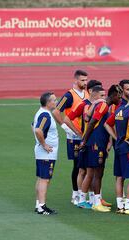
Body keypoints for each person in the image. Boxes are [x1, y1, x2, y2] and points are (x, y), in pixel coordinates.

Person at [63, 82, 111, 207]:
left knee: (92, 171)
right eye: (102, 94)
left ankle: (93, 198)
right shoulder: (84, 105)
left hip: (91, 140)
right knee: (84, 171)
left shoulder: (97, 105)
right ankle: (80, 198)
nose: (104, 97)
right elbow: (67, 119)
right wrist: (78, 133)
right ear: (92, 92)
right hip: (87, 141)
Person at [78, 85, 122, 212]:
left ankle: (88, 200)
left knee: (92, 172)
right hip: (95, 143)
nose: (119, 98)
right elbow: (91, 122)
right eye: (118, 96)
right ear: (113, 95)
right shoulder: (103, 106)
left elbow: (89, 118)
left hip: (97, 142)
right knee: (97, 173)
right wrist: (84, 140)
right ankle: (96, 202)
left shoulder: (102, 105)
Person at [105, 90, 129, 215]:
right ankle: (128, 207)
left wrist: (116, 138)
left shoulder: (119, 110)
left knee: (119, 177)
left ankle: (120, 206)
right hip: (128, 148)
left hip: (119, 147)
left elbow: (107, 124)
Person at [52, 70, 88, 204]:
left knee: (85, 165)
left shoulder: (87, 93)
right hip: (74, 135)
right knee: (77, 165)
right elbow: (56, 111)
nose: (85, 83)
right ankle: (75, 193)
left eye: (86, 80)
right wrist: (64, 126)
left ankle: (83, 193)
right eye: (83, 80)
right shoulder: (69, 95)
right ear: (76, 80)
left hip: (85, 134)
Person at [33, 92, 59, 215]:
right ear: (48, 102)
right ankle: (42, 206)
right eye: (54, 100)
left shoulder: (42, 113)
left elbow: (33, 126)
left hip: (42, 152)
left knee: (41, 178)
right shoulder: (45, 115)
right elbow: (38, 130)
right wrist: (44, 144)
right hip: (46, 153)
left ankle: (39, 204)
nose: (56, 101)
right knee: (45, 179)